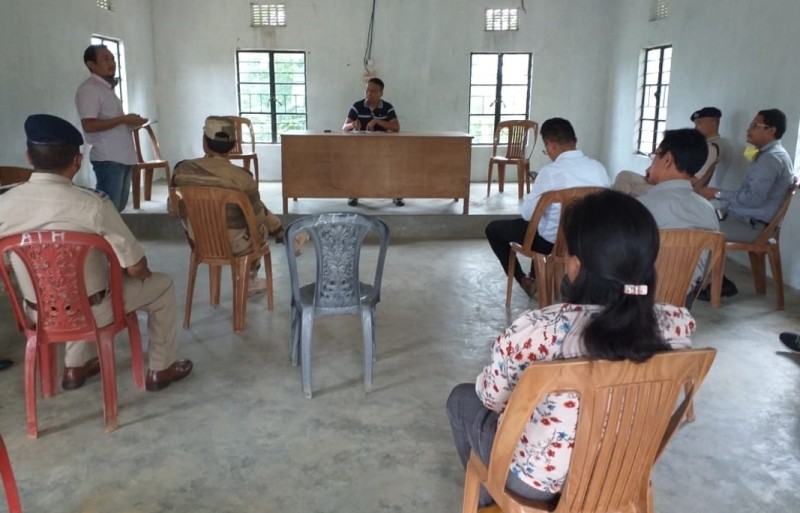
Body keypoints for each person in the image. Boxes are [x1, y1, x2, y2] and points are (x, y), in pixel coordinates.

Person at [447, 190, 695, 507]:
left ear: (576, 266)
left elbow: (490, 397)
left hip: (539, 482)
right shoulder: (677, 323)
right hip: (622, 471)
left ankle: (493, 503)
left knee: (462, 398)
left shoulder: (537, 330)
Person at [0, 114, 192, 391]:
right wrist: (137, 269)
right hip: (94, 309)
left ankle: (76, 367)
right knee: (160, 286)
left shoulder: (5, 205)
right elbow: (136, 267)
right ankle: (162, 368)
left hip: (38, 312)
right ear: (77, 161)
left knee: (60, 283)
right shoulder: (93, 206)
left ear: (29, 157)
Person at [171, 116, 305, 295]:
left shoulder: (182, 170)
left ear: (204, 141)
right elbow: (256, 220)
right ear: (234, 144)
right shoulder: (242, 177)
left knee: (256, 211)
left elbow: (174, 209)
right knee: (259, 221)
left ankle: (287, 237)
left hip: (199, 241)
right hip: (235, 245)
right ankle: (252, 277)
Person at [485, 117, 609, 297]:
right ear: (574, 141)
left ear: (550, 145)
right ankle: (536, 277)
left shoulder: (549, 173)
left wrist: (538, 192)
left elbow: (528, 214)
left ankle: (525, 281)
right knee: (543, 223)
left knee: (494, 229)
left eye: (546, 149)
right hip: (587, 241)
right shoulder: (599, 168)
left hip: (551, 244)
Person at [697, 108, 795, 299]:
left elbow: (752, 199)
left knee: (700, 229)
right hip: (746, 218)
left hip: (753, 226)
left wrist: (716, 193)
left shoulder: (771, 159)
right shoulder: (769, 154)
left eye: (754, 126)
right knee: (699, 216)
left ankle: (713, 284)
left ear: (771, 131)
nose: (748, 130)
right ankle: (713, 281)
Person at [637, 128, 720, 305]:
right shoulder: (708, 210)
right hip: (683, 300)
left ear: (667, 159)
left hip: (638, 296)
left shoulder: (642, 207)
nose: (652, 161)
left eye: (655, 155)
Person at [75, 44, 147, 212]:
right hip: (108, 159)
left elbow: (111, 121)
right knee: (109, 210)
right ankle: (105, 239)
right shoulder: (89, 89)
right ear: (91, 64)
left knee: (118, 207)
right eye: (106, 59)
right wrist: (123, 119)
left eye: (113, 59)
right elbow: (89, 125)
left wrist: (130, 123)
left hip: (123, 156)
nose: (112, 63)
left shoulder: (106, 88)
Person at [613, 107, 722, 197]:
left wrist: (659, 176)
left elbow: (691, 180)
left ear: (713, 123)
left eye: (699, 123)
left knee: (627, 189)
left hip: (673, 190)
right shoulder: (701, 145)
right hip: (665, 184)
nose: (696, 127)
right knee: (625, 177)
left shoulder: (710, 149)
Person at [341, 77, 403, 207]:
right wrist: (353, 124)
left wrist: (377, 121)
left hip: (384, 148)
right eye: (367, 90)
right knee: (355, 166)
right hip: (361, 148)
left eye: (373, 91)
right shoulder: (357, 106)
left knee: (395, 164)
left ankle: (396, 194)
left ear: (381, 93)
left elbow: (396, 127)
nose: (369, 94)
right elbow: (344, 128)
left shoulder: (387, 107)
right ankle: (353, 194)